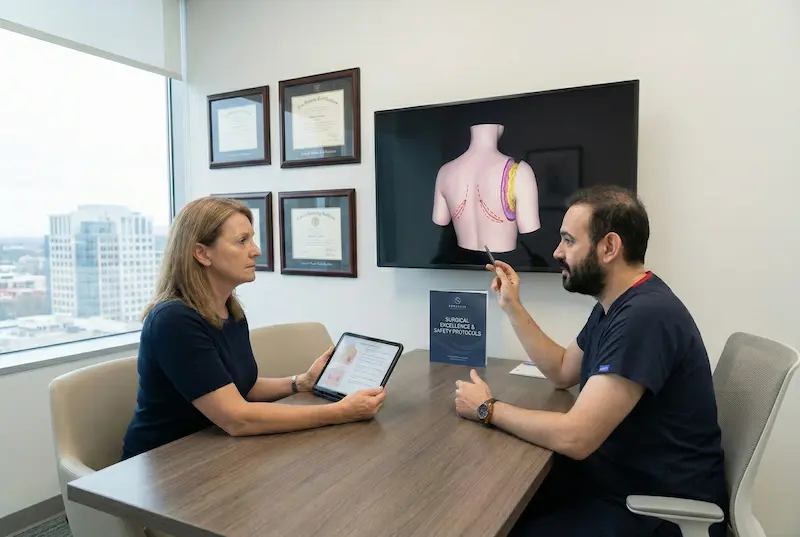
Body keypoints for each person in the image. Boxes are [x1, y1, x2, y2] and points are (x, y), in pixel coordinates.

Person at [453, 185, 728, 537]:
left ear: (609, 247)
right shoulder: (616, 305)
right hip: (616, 482)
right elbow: (563, 369)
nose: (557, 251)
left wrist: (487, 408)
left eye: (568, 240)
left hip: (654, 509)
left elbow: (577, 437)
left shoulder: (645, 317)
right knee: (494, 508)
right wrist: (512, 306)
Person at [121, 196, 386, 460]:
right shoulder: (174, 320)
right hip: (167, 464)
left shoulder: (231, 311)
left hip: (215, 451)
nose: (256, 250)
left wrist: (301, 382)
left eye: (252, 239)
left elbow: (241, 387)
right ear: (202, 253)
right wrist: (341, 412)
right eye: (242, 241)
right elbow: (237, 418)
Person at [432, 123, 541, 253]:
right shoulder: (521, 172)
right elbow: (529, 227)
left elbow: (441, 220)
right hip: (503, 263)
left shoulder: (445, 171)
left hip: (458, 259)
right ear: (500, 128)